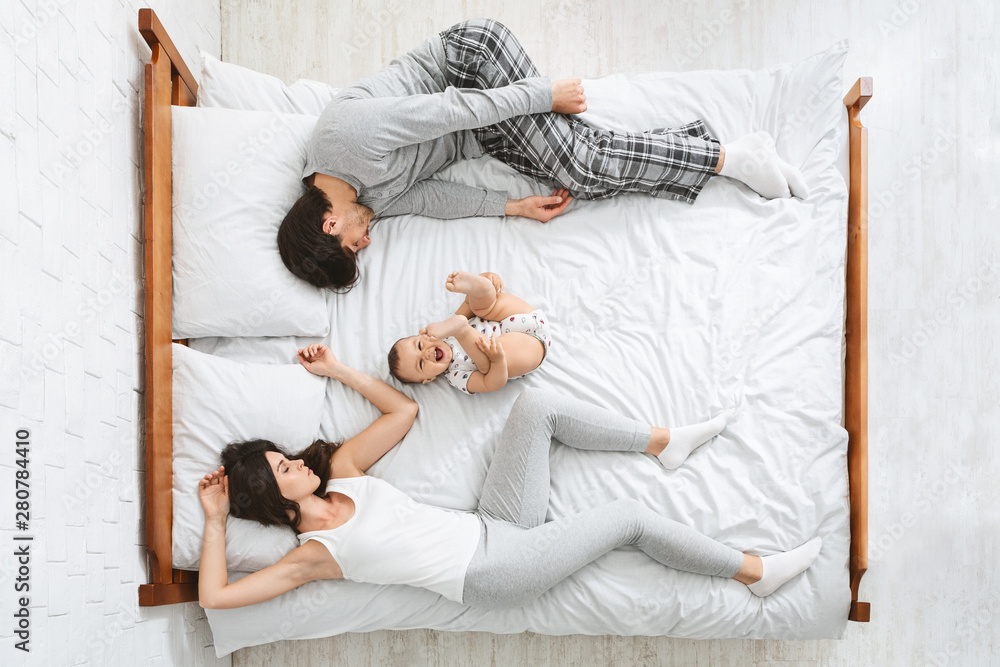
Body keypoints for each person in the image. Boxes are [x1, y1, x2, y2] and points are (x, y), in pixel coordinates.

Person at [196, 344, 822, 610]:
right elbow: (216, 598)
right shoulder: (314, 554)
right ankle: (754, 572)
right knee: (628, 519)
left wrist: (337, 371)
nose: (298, 463)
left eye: (287, 456)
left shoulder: (345, 474)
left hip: (493, 524)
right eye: (285, 469)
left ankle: (663, 444)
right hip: (494, 572)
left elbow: (405, 409)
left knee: (535, 408)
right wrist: (217, 522)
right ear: (276, 500)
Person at [277, 19, 810, 291]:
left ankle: (728, 158)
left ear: (328, 225)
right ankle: (726, 154)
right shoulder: (364, 203)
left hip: (471, 68)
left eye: (353, 246)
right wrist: (513, 208)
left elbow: (450, 110)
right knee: (586, 178)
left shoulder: (343, 139)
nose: (366, 242)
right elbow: (431, 197)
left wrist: (543, 94)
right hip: (481, 131)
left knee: (581, 161)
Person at [388, 271, 550, 394]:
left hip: (520, 318)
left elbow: (468, 303)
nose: (427, 354)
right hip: (529, 350)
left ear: (424, 336)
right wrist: (498, 361)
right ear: (428, 379)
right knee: (488, 364)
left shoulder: (445, 329)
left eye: (420, 345)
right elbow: (492, 384)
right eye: (421, 364)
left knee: (481, 308)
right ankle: (465, 332)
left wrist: (485, 281)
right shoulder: (456, 376)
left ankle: (484, 288)